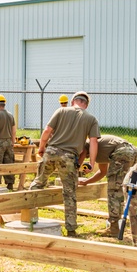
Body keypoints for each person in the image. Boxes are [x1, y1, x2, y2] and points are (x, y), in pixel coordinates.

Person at [29, 91, 99, 237]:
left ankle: (27, 214)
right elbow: (93, 142)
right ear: (86, 104)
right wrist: (91, 163)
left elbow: (47, 130)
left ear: (73, 100)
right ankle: (71, 229)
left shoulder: (61, 110)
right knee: (69, 193)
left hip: (51, 152)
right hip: (68, 158)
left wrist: (42, 148)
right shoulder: (91, 119)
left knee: (39, 181)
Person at [78, 134, 137, 236]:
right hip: (134, 152)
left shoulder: (88, 145)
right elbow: (102, 172)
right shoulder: (101, 150)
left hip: (122, 153)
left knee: (114, 191)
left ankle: (114, 227)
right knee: (131, 189)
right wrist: (86, 181)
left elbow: (81, 157)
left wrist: (76, 168)